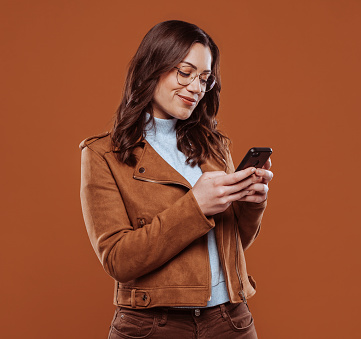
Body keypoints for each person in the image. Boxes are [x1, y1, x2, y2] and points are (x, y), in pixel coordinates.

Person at [79, 20, 273, 339]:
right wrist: (195, 207)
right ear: (153, 67)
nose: (196, 87)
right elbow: (118, 259)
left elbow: (231, 246)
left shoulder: (213, 146)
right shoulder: (103, 154)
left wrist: (252, 204)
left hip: (231, 321)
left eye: (204, 78)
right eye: (185, 72)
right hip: (152, 325)